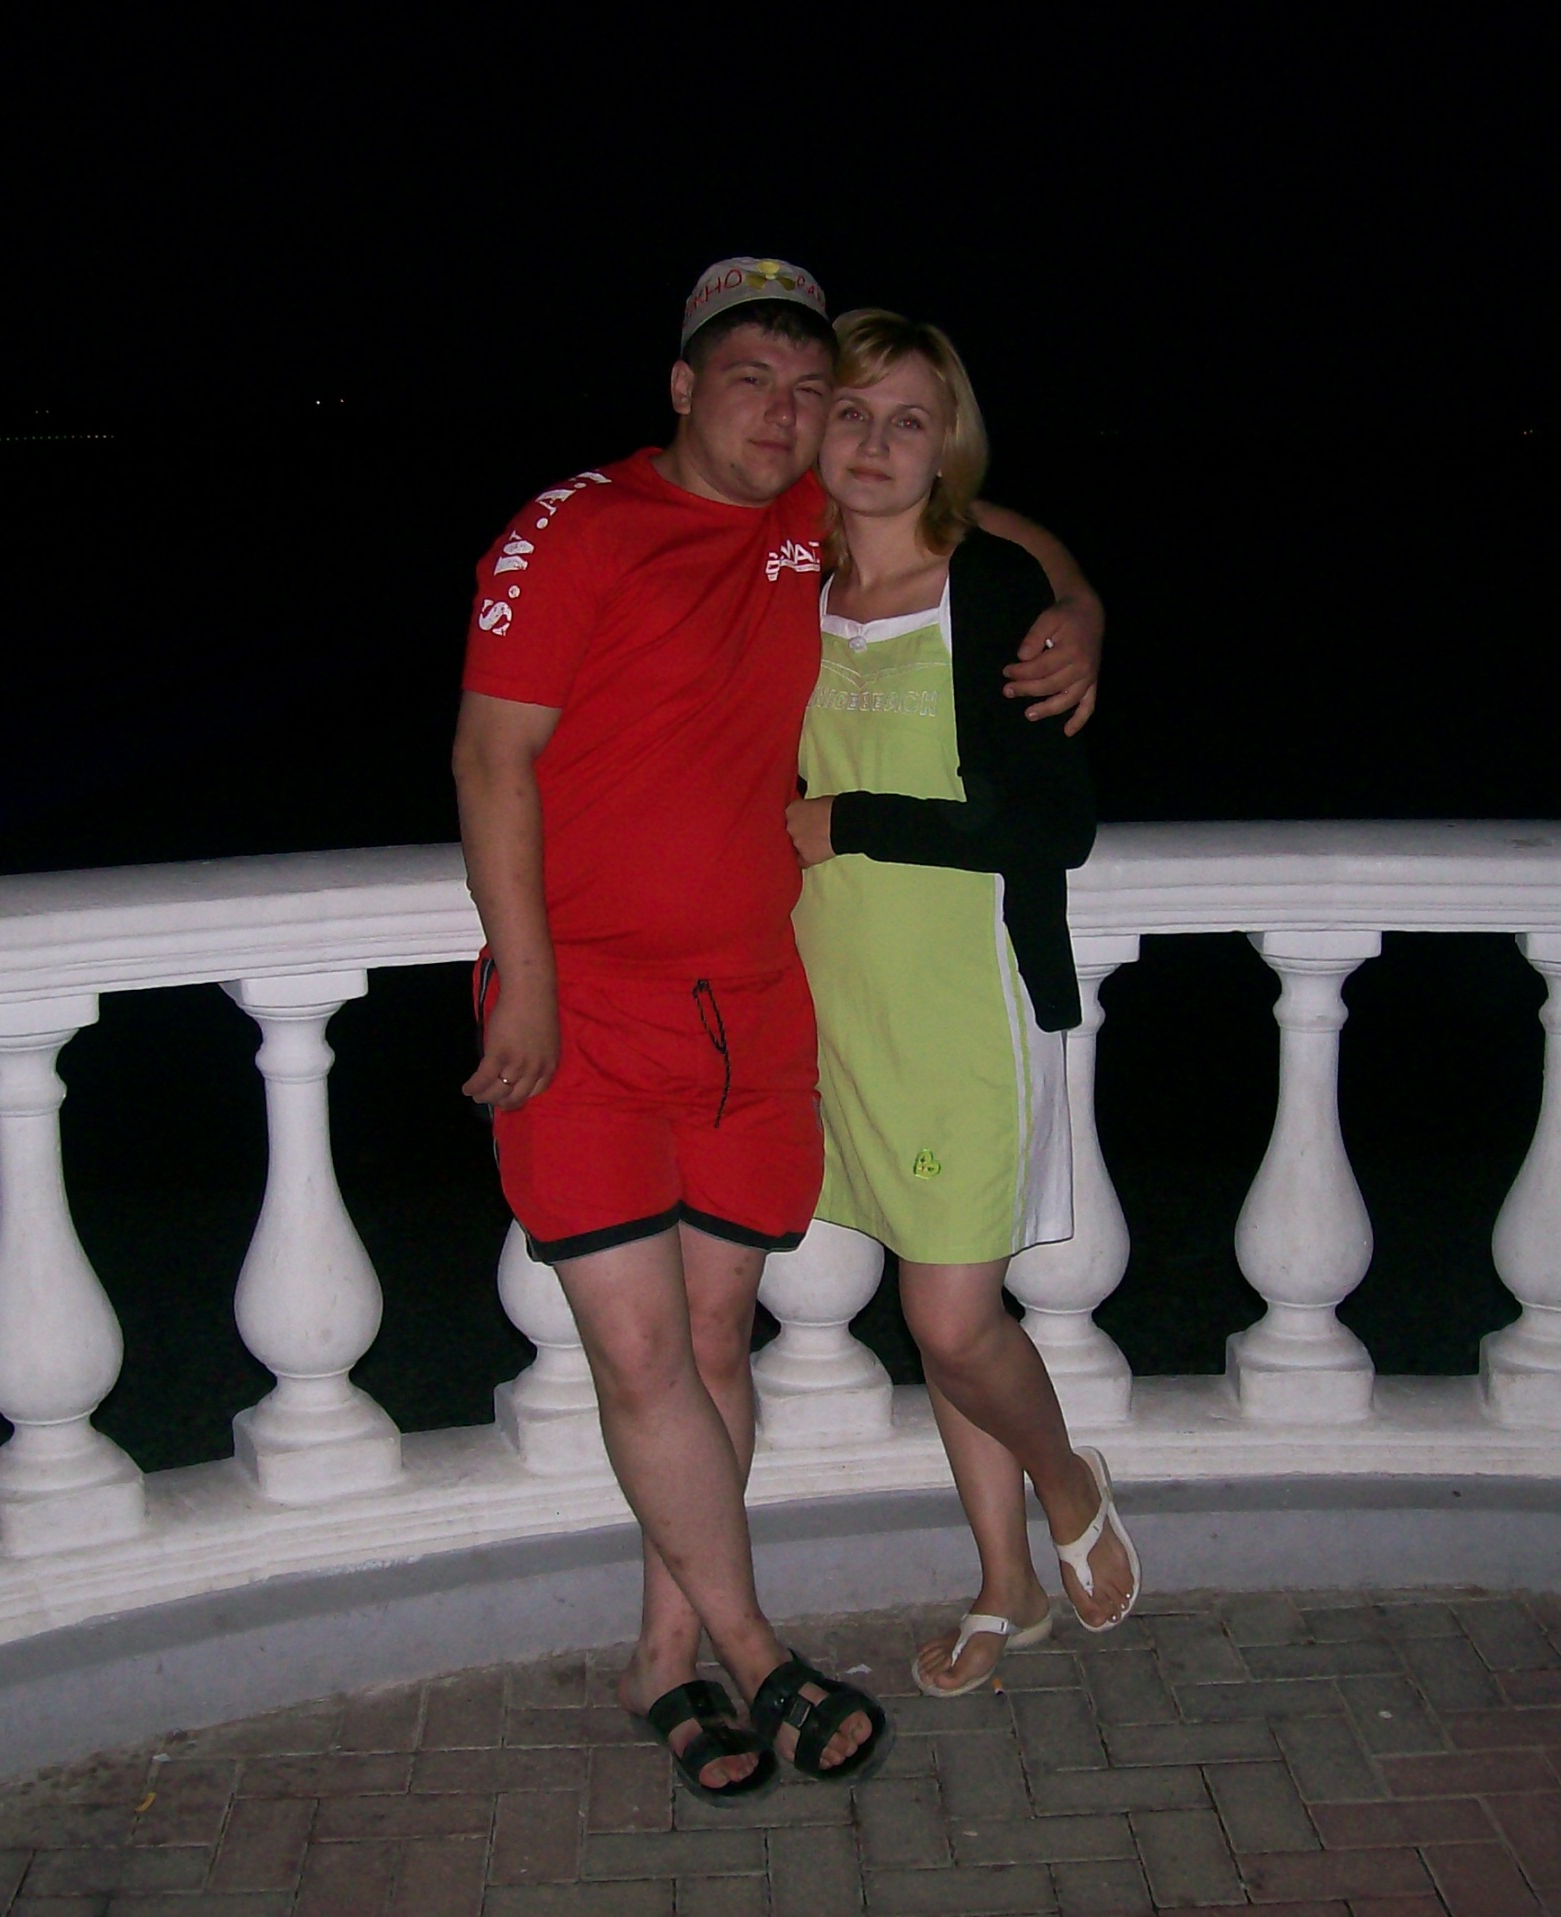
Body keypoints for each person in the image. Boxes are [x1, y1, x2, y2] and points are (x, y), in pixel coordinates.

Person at [451, 258, 1102, 1799]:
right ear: (683, 385)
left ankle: (661, 1656)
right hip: (591, 1010)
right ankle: (754, 1650)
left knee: (713, 1338)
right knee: (639, 1349)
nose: (788, 414)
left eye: (812, 392)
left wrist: (1081, 607)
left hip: (751, 1008)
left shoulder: (806, 519)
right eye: (752, 380)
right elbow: (490, 757)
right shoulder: (574, 528)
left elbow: (988, 528)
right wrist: (523, 974)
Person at [784, 310, 1139, 1700]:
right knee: (936, 1296)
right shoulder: (787, 574)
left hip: (969, 1003)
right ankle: (1006, 1585)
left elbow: (1052, 821)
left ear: (948, 446)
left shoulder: (986, 588)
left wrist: (847, 819)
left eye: (908, 420)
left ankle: (1068, 1483)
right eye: (851, 411)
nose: (874, 442)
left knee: (947, 1317)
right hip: (835, 1000)